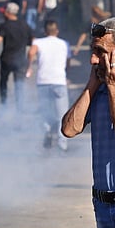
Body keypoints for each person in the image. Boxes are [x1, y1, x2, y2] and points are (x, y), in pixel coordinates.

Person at [62, 17, 115, 228]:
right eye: (93, 52)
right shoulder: (97, 89)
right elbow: (69, 129)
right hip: (104, 205)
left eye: (101, 52)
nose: (94, 59)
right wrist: (91, 86)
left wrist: (114, 88)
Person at [26, 19, 70, 151]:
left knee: (45, 112)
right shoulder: (64, 44)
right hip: (59, 81)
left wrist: (30, 66)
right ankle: (62, 145)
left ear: (45, 31)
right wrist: (65, 73)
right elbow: (68, 62)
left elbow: (31, 52)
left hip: (43, 81)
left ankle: (47, 134)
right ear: (57, 31)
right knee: (62, 114)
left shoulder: (38, 42)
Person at [0, 2, 33, 109]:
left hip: (7, 59)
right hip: (21, 60)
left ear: (9, 13)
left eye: (4, 12)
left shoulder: (5, 25)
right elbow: (33, 41)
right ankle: (20, 108)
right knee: (19, 85)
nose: (3, 13)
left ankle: (4, 105)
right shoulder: (25, 25)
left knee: (3, 83)